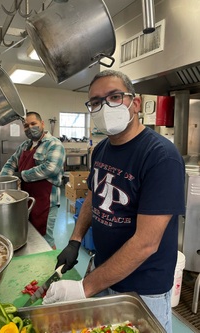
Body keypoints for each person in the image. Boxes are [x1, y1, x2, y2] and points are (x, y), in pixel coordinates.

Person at [42, 70, 185, 333]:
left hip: (142, 291)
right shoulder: (101, 149)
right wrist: (75, 240)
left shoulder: (161, 157)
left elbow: (146, 243)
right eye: (96, 102)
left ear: (135, 103)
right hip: (102, 270)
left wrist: (83, 288)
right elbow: (92, 198)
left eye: (115, 97)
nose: (105, 107)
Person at [0, 111, 65, 249]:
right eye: (26, 125)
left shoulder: (54, 144)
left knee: (45, 238)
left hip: (46, 201)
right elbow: (12, 162)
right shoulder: (25, 145)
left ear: (42, 124)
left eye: (33, 123)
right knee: (32, 236)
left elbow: (51, 168)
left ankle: (52, 267)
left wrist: (21, 175)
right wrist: (2, 181)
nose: (30, 127)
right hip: (27, 200)